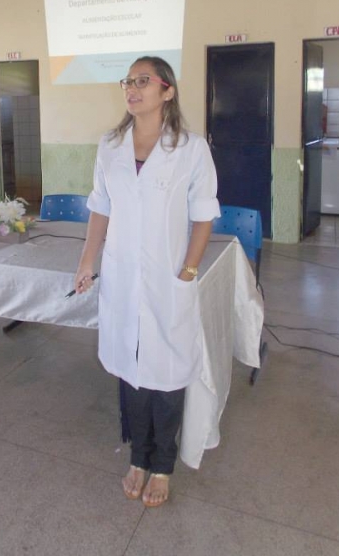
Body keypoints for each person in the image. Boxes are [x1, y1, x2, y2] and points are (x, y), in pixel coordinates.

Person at [74, 55, 219, 508]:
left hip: (167, 278)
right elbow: (101, 207)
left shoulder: (191, 148)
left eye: (143, 81)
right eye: (128, 81)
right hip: (122, 277)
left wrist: (188, 271)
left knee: (168, 372)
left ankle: (163, 465)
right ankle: (138, 456)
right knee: (131, 371)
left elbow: (203, 216)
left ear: (167, 91)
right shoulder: (111, 144)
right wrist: (86, 261)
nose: (132, 89)